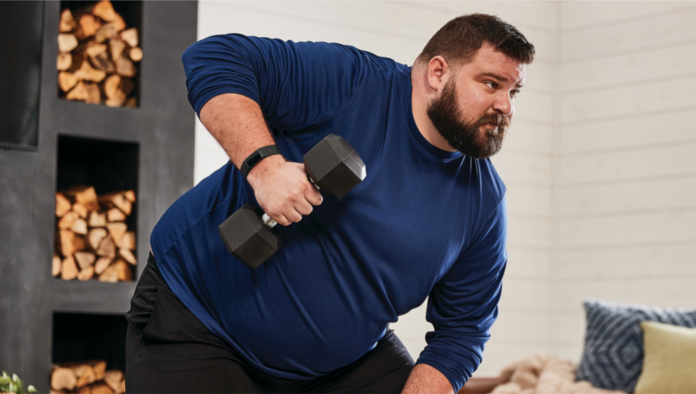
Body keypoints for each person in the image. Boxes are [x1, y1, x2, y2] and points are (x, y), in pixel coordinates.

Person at [125, 13, 535, 394]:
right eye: (491, 83)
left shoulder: (483, 201)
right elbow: (215, 56)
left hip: (337, 369)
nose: (506, 106)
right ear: (438, 72)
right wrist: (264, 168)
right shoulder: (354, 83)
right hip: (199, 322)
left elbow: (461, 333)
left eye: (513, 91)